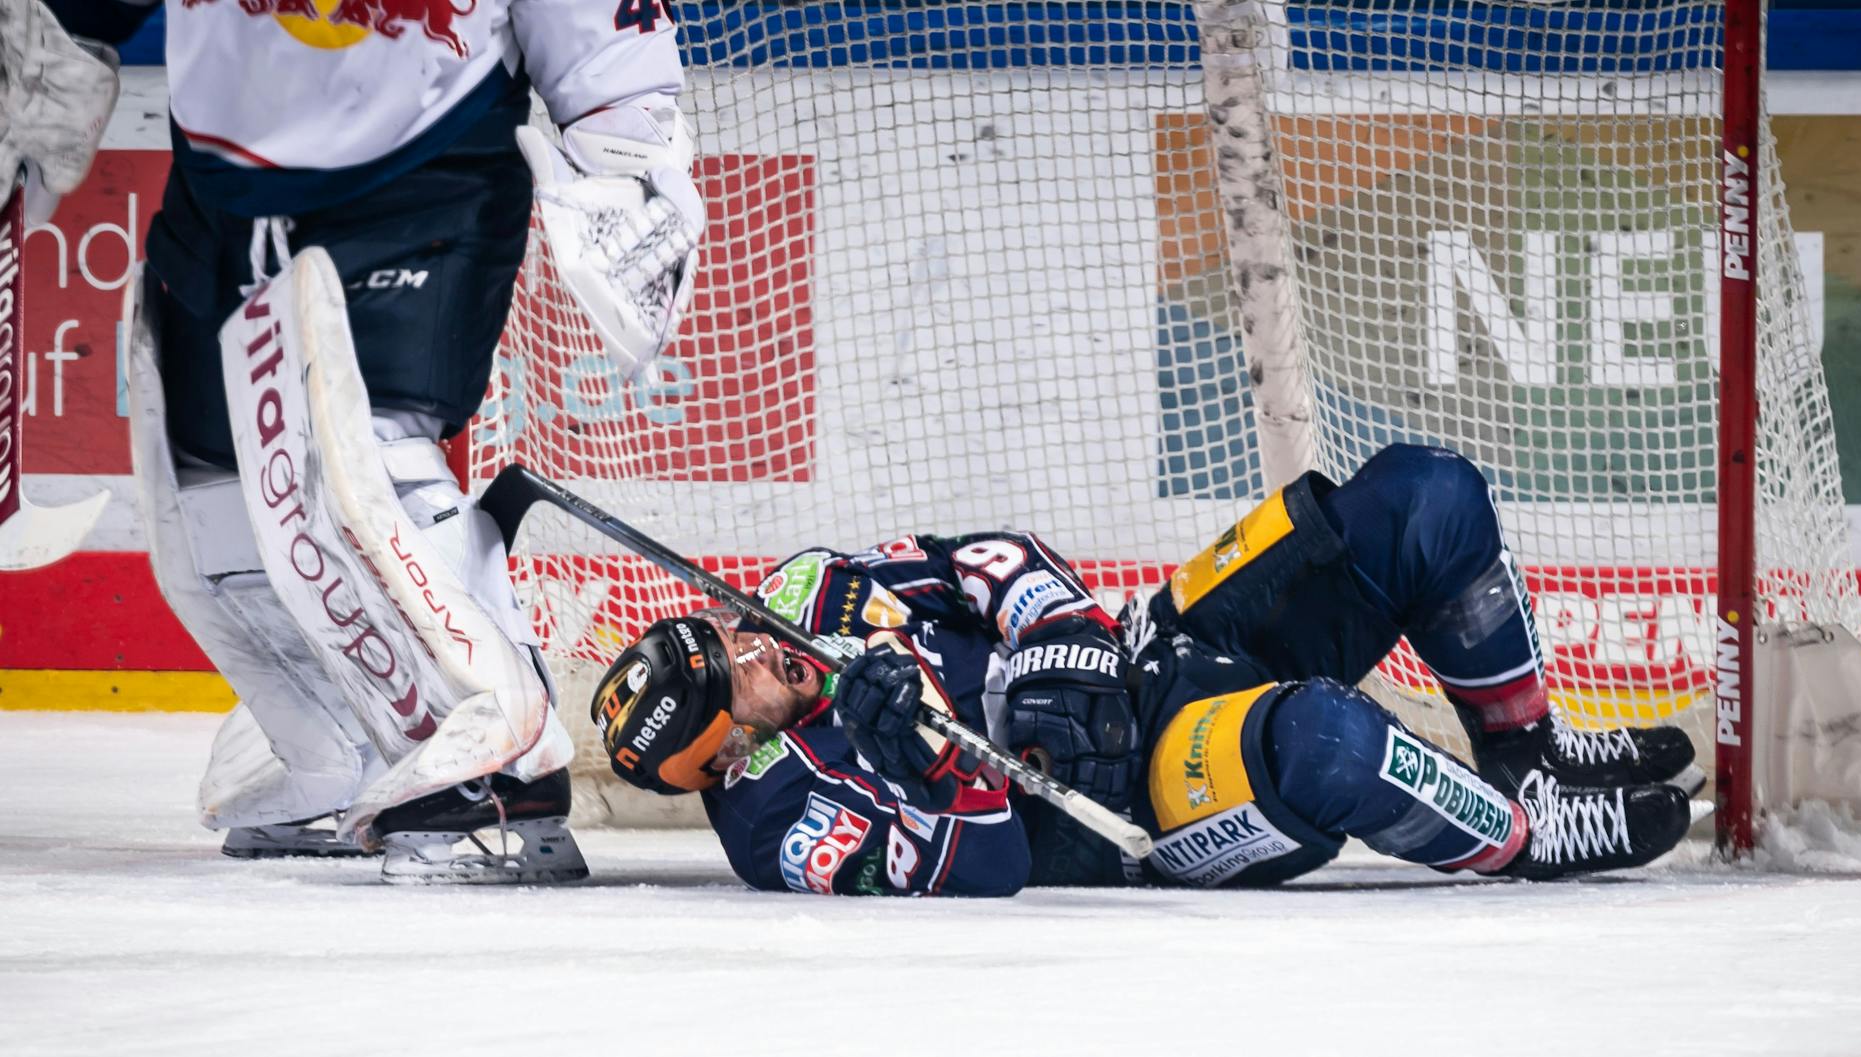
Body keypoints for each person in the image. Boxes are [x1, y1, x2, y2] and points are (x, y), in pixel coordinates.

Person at [25, 0, 703, 882]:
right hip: (221, 182)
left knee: (364, 459)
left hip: (425, 165)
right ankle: (335, 747)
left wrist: (630, 141)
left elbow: (605, 38)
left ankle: (500, 751)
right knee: (204, 495)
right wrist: (50, 40)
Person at [592, 444, 1703, 895]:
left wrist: (1055, 640)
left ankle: (1528, 761)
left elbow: (994, 560)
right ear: (726, 751)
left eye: (724, 628)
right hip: (1142, 801)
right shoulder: (780, 825)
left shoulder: (799, 593)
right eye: (734, 672)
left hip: (1153, 642)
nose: (753, 642)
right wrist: (929, 762)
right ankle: (1519, 839)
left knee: (1425, 495)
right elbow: (986, 874)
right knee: (1324, 740)